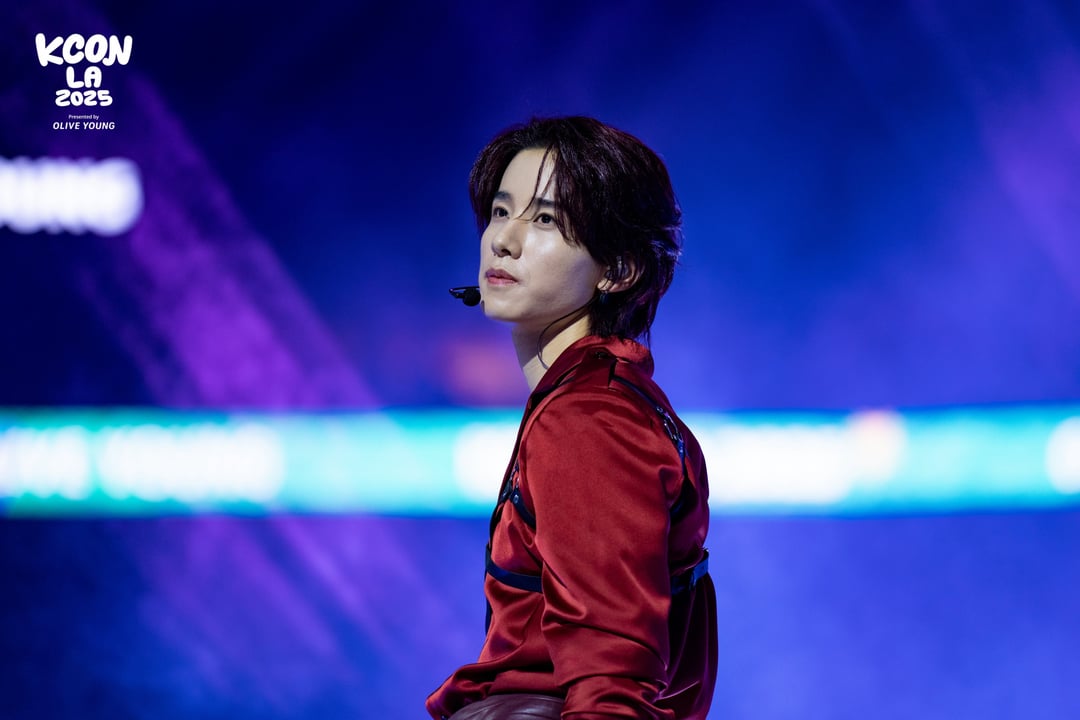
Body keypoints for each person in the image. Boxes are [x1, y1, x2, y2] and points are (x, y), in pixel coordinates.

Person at [428, 116, 716, 720]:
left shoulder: (590, 421)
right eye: (500, 211)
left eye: (545, 220)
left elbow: (614, 683)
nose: (503, 240)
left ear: (619, 269)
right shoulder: (601, 401)